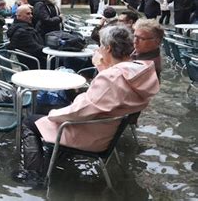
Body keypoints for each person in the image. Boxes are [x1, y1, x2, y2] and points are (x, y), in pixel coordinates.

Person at [16, 25, 160, 179]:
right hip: (107, 128)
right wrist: (101, 66)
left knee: (30, 121)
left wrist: (53, 114)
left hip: (90, 134)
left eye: (101, 46)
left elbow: (79, 111)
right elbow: (114, 88)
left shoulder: (111, 78)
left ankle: (32, 175)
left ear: (108, 48)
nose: (100, 49)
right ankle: (57, 156)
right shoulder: (139, 71)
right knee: (61, 106)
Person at [6, 4, 46, 69]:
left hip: (35, 60)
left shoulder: (22, 28)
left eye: (31, 13)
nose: (31, 16)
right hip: (36, 64)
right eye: (28, 14)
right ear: (19, 16)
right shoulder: (23, 32)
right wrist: (50, 50)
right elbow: (36, 49)